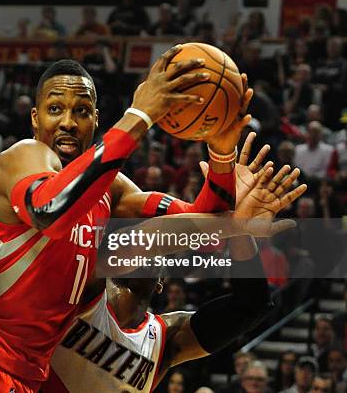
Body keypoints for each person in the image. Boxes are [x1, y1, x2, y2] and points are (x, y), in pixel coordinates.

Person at [0, 45, 268, 392]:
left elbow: (203, 217)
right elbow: (49, 211)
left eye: (82, 111)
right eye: (55, 108)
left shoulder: (109, 190)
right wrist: (140, 116)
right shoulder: (22, 157)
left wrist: (222, 151)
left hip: (25, 379)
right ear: (35, 118)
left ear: (95, 120)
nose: (68, 122)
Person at [44, 136, 307, 392]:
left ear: (161, 281)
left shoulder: (165, 338)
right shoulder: (82, 288)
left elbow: (252, 305)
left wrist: (239, 228)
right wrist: (226, 220)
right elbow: (147, 235)